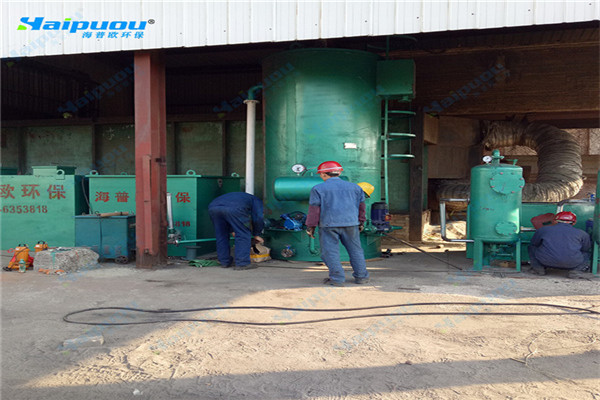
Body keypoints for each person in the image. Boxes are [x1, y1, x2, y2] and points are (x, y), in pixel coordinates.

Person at [306, 161, 371, 286]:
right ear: (339, 173)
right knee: (356, 251)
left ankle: (337, 279)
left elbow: (314, 209)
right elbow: (362, 207)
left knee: (330, 252)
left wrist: (311, 226)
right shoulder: (356, 188)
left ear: (323, 174)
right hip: (351, 224)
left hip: (328, 225)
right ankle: (362, 277)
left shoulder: (318, 189)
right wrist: (361, 222)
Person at [208, 192, 264, 271]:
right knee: (243, 234)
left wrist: (232, 230)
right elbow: (258, 218)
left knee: (221, 234)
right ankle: (242, 263)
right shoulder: (257, 200)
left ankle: (224, 261)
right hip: (235, 209)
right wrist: (257, 234)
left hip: (213, 208)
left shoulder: (241, 196)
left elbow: (228, 215)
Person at [528, 211, 592, 279]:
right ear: (574, 223)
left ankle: (538, 268)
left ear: (555, 221)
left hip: (545, 261)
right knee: (586, 253)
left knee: (532, 247)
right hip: (572, 263)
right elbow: (586, 248)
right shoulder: (582, 233)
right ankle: (576, 271)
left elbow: (534, 243)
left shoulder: (543, 230)